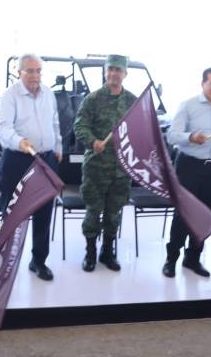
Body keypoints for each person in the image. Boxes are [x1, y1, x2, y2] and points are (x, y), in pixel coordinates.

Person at [164, 67, 211, 278]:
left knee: (204, 214)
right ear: (202, 83)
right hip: (189, 166)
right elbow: (172, 136)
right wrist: (191, 137)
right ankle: (171, 259)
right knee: (183, 214)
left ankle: (193, 259)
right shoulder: (188, 105)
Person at [0, 53, 61, 281]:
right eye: (30, 71)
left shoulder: (48, 93)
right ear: (19, 72)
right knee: (12, 214)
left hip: (46, 160)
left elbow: (55, 122)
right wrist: (19, 142)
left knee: (44, 211)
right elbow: (3, 128)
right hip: (18, 160)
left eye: (38, 71)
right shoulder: (10, 95)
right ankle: (5, 263)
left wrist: (58, 146)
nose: (35, 75)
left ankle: (39, 261)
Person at [74, 54, 136, 272]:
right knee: (93, 212)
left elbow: (139, 130)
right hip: (97, 167)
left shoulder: (132, 102)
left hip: (121, 169)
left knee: (113, 213)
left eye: (118, 70)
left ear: (125, 73)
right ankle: (90, 252)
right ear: (104, 71)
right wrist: (93, 141)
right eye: (110, 69)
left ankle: (107, 252)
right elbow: (80, 126)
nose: (113, 74)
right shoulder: (93, 99)